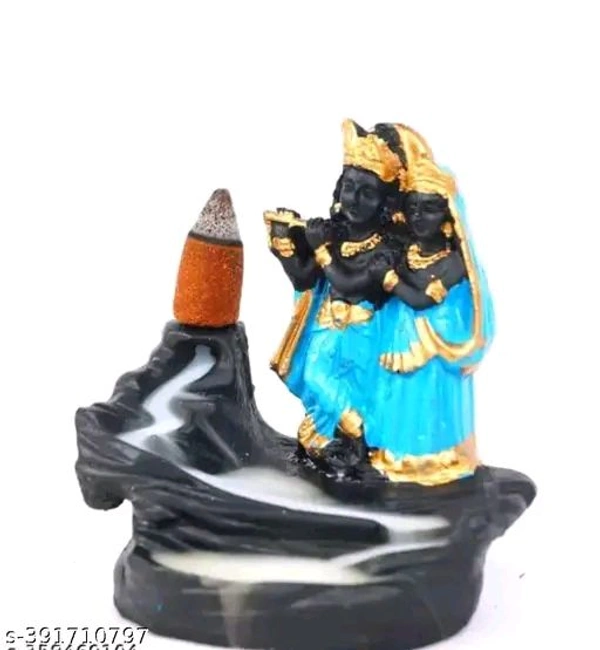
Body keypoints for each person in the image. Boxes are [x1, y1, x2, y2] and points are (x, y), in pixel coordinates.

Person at [264, 120, 494, 485]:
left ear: (387, 203)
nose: (354, 200)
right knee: (312, 377)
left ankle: (354, 438)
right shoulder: (336, 232)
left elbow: (352, 286)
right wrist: (285, 249)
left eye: (367, 193)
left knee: (341, 388)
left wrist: (321, 250)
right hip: (325, 327)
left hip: (361, 335)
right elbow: (305, 279)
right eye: (349, 187)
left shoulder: (389, 248)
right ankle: (339, 436)